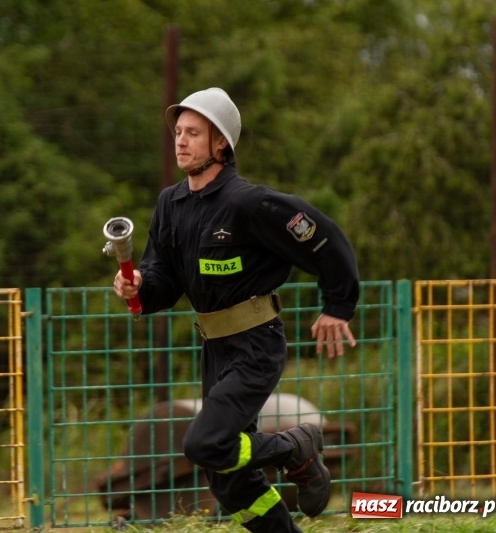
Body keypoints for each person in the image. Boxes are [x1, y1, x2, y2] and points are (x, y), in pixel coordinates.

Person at [112, 87, 359, 532]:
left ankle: (292, 447)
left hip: (256, 347)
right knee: (227, 482)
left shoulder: (250, 204)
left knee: (206, 444)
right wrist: (138, 286)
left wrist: (338, 304)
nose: (180, 141)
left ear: (220, 143)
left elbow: (325, 240)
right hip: (215, 349)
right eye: (178, 132)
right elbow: (161, 278)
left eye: (193, 133)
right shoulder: (171, 204)